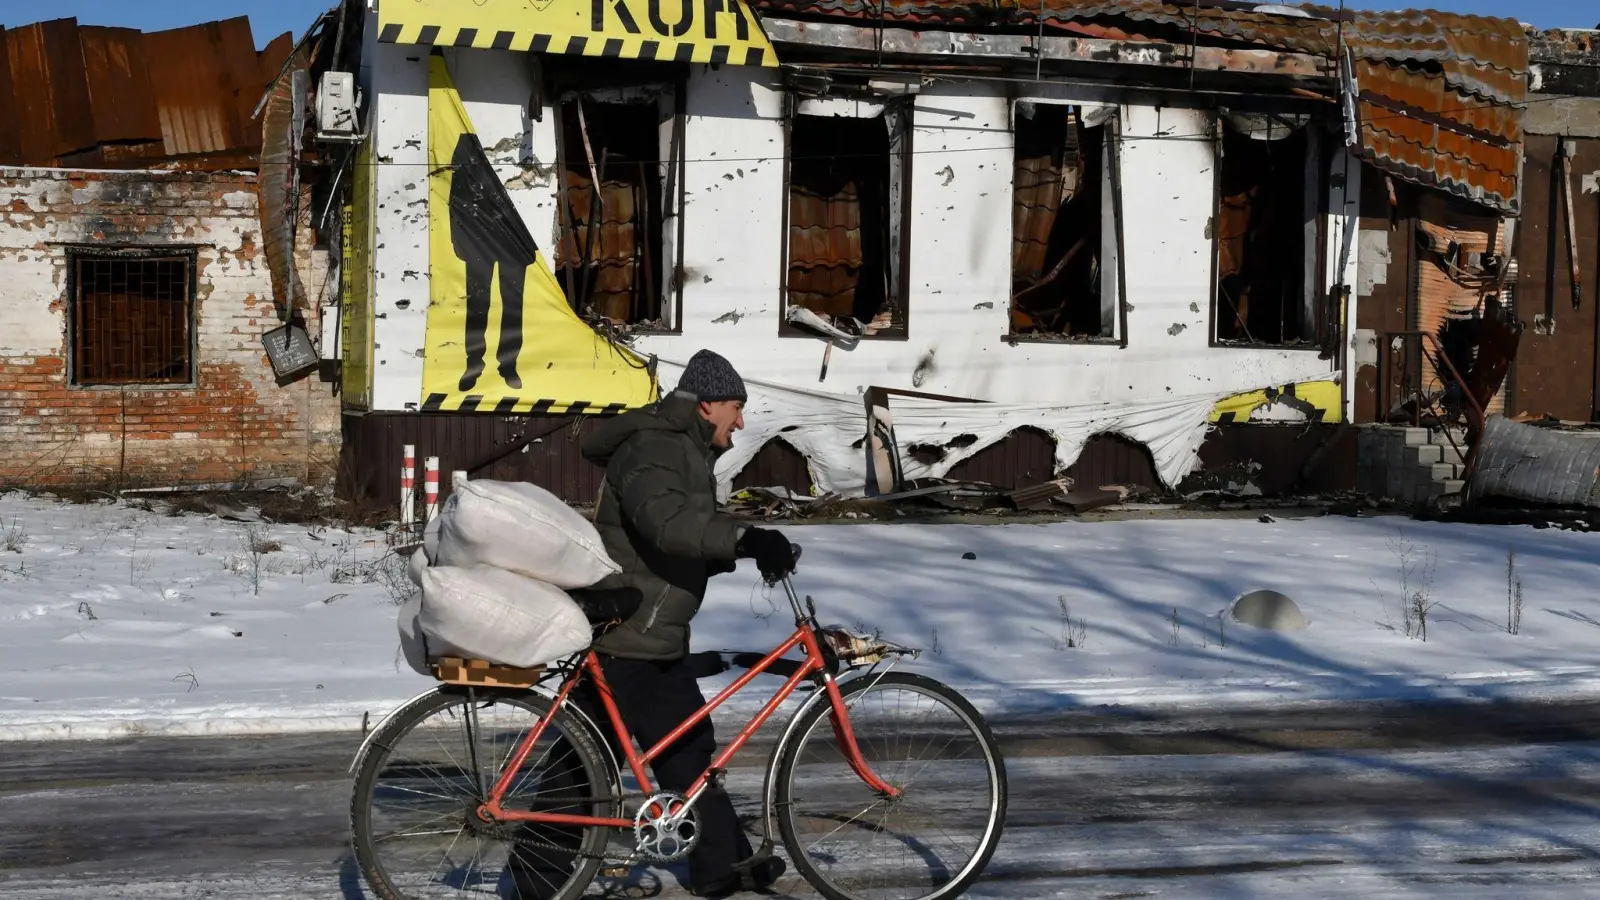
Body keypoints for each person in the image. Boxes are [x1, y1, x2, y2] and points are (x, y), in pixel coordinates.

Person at [510, 349, 795, 899]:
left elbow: (671, 540)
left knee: (682, 749)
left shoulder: (680, 449)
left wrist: (737, 550)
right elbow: (666, 525)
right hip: (631, 631)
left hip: (649, 630)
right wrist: (742, 537)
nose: (740, 421)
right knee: (587, 765)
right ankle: (534, 882)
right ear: (707, 403)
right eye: (736, 407)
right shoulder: (656, 447)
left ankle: (723, 864)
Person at [447, 131, 532, 392]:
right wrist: (461, 243)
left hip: (513, 242)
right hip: (478, 242)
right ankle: (474, 364)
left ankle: (508, 365)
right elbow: (455, 203)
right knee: (478, 306)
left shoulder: (518, 153)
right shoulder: (466, 152)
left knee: (512, 307)